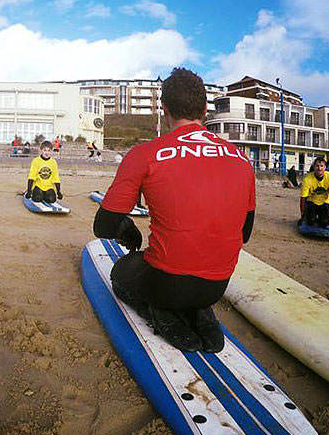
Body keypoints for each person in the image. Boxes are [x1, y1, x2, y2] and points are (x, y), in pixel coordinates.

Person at [93, 67, 255, 353]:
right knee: (192, 275)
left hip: (167, 284)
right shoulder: (242, 159)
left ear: (164, 109)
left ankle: (162, 311)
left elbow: (103, 226)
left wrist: (126, 229)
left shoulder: (145, 153)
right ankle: (199, 312)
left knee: (119, 274)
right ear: (205, 110)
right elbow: (245, 232)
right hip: (217, 287)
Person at [299, 157, 329, 229]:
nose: (319, 168)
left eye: (321, 166)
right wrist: (302, 214)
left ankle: (321, 219)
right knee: (311, 221)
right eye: (317, 166)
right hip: (311, 202)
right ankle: (311, 218)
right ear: (314, 167)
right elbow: (303, 198)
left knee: (324, 223)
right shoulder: (307, 179)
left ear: (325, 167)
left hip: (324, 203)